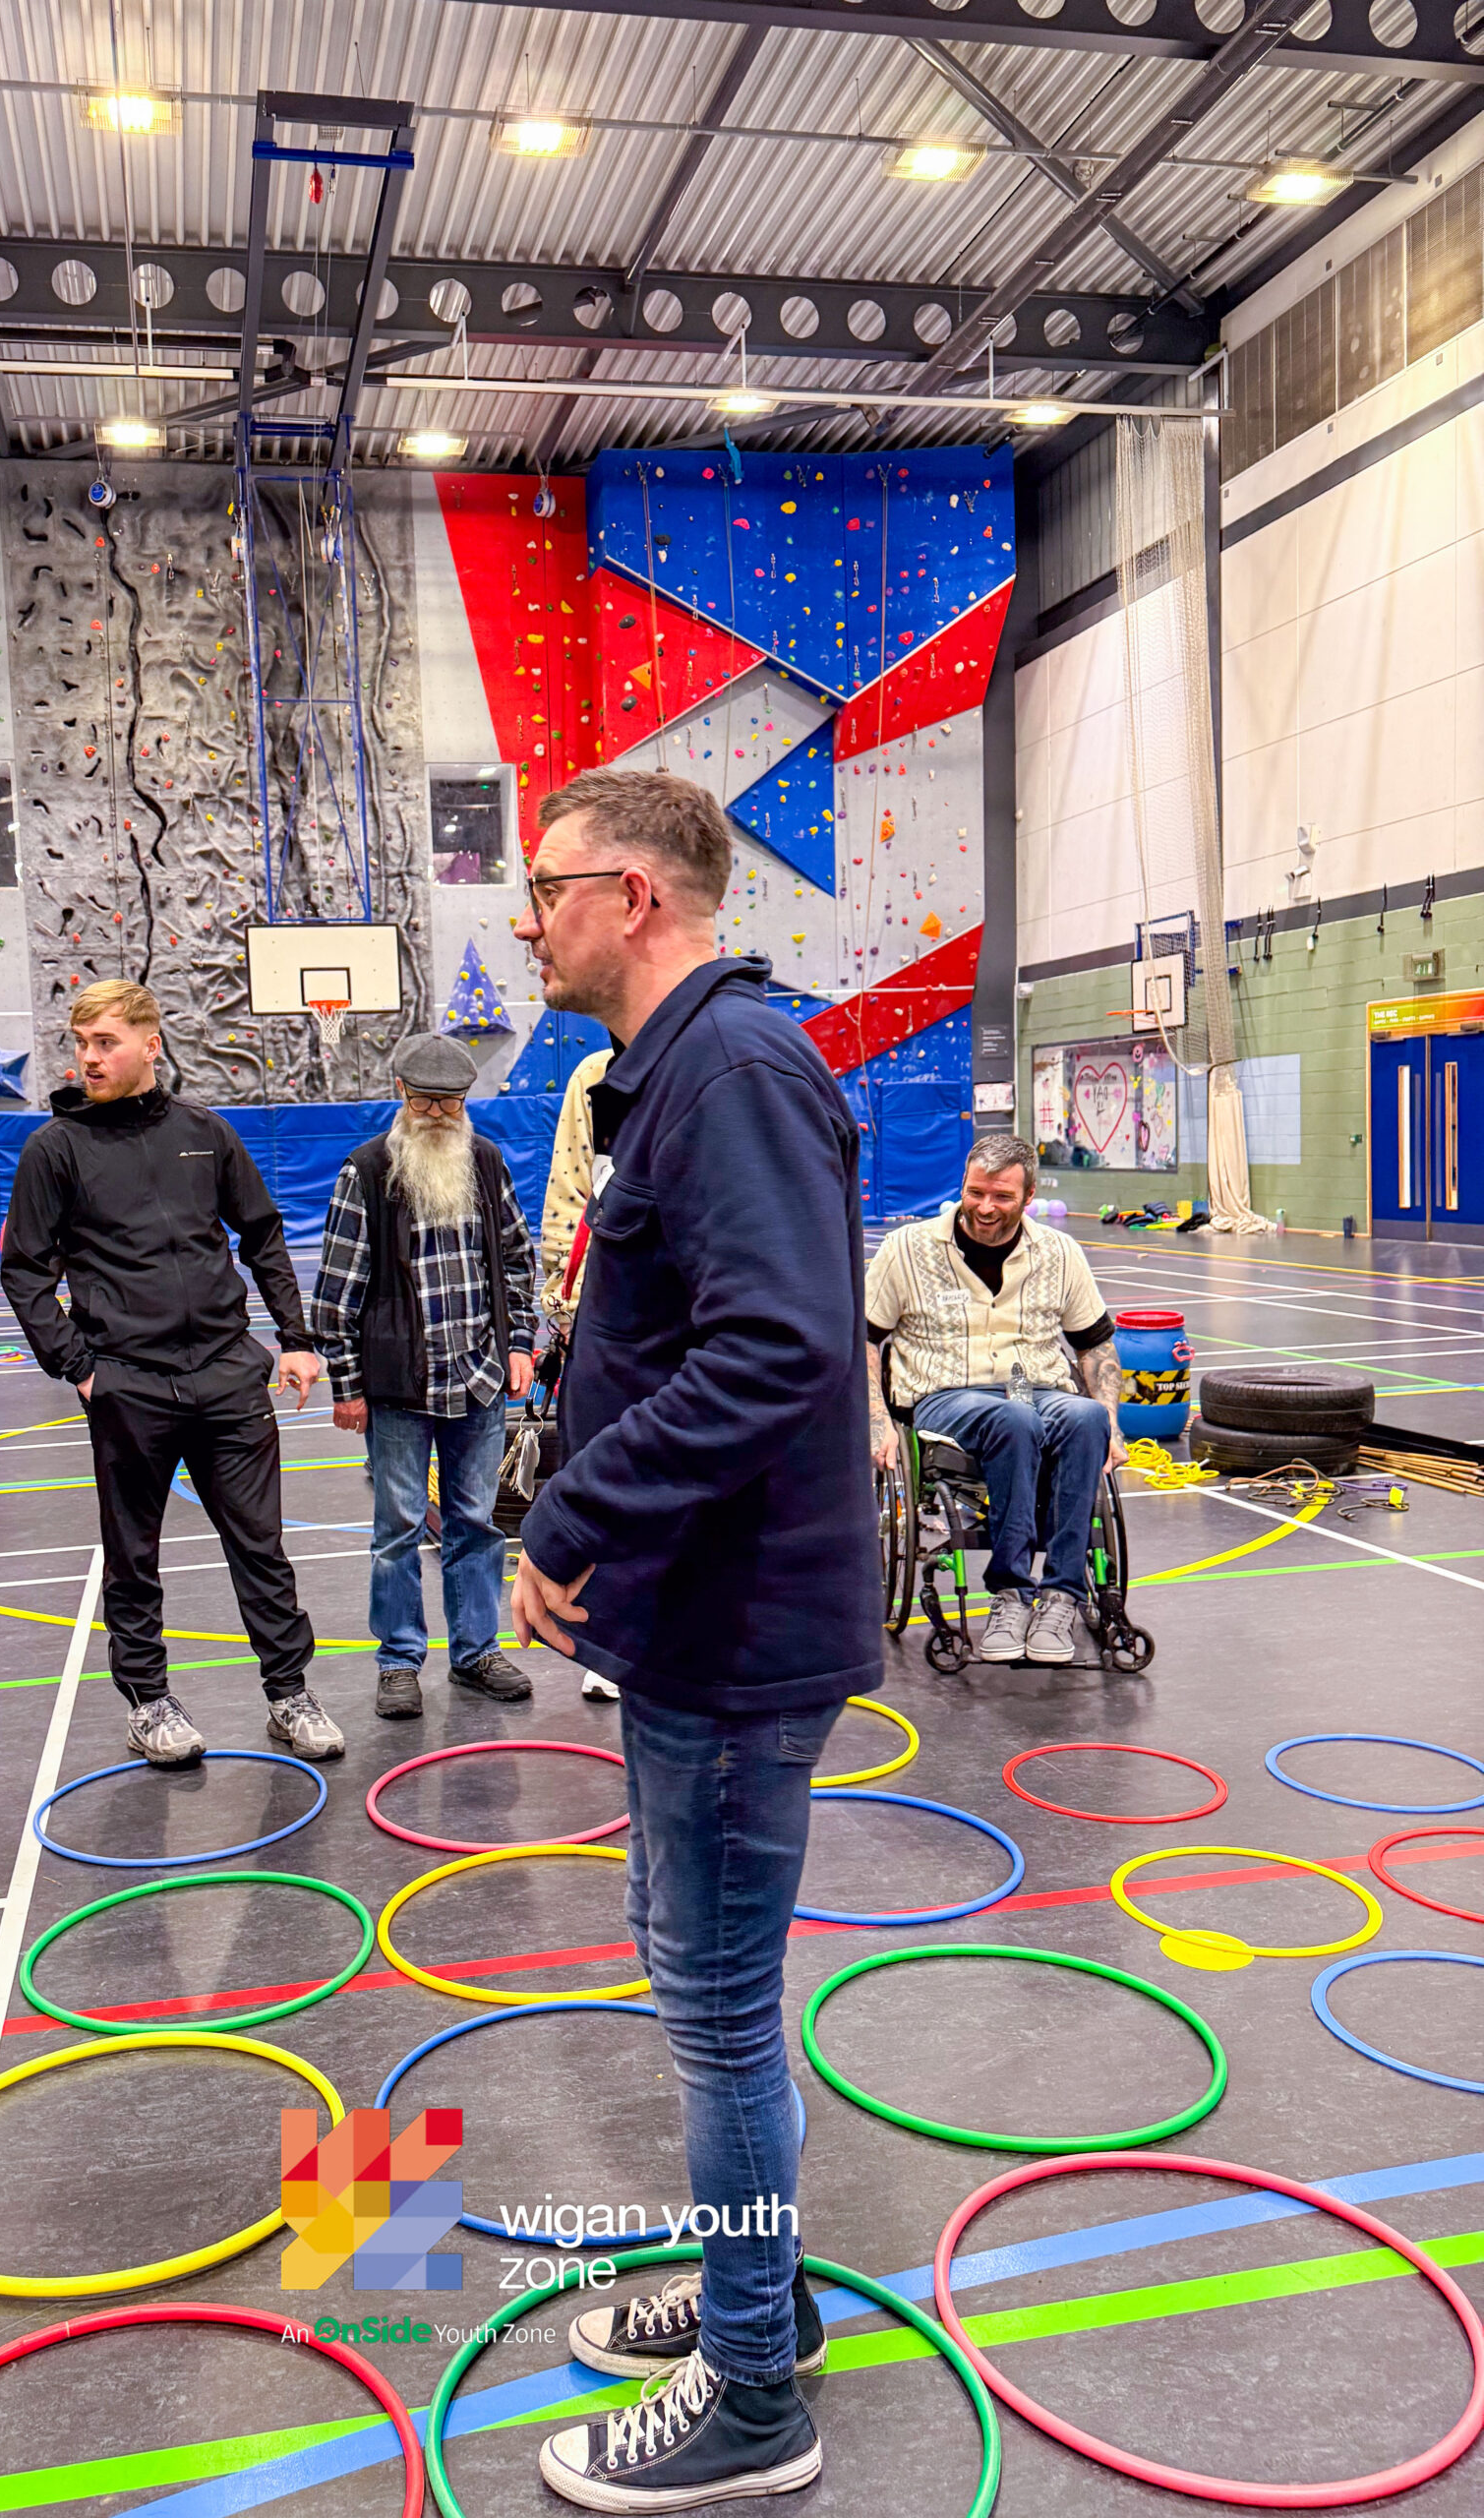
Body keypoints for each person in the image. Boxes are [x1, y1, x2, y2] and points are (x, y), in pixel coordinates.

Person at [507, 769, 879, 2511]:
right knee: (701, 1976)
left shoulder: (729, 1071)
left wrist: (571, 1515)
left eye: (548, 887)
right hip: (690, 1625)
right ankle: (764, 2293)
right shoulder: (671, 1073)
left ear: (634, 897)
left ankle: (751, 2398)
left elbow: (778, 1348)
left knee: (719, 2010)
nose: (529, 918)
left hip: (738, 1634)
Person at [0, 981, 340, 1762]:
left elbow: (262, 1233)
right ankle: (148, 1703)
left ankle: (289, 1694)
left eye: (105, 1042)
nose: (89, 1058)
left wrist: (295, 1338)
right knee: (133, 1555)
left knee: (261, 1547)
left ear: (150, 1045)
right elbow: (24, 1270)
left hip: (227, 1375)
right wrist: (79, 1367)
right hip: (129, 1384)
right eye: (81, 1044)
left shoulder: (203, 1132)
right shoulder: (55, 1149)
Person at [313, 1033, 540, 1723]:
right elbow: (335, 1294)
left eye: (450, 1102)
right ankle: (399, 1661)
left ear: (466, 1101)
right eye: (424, 1101)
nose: (437, 1114)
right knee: (399, 1530)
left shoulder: (486, 1161)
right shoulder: (366, 1171)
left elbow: (516, 1259)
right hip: (399, 1388)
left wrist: (519, 1344)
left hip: (478, 1379)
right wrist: (347, 1386)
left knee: (477, 1524)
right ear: (401, 1095)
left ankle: (476, 1652)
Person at [863, 1135, 1124, 1666]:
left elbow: (1095, 1346)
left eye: (1002, 1196)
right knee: (1014, 1419)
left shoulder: (1059, 1252)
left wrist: (1112, 1424)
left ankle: (1061, 1596)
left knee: (1086, 1416)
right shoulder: (906, 1250)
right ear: (962, 1185)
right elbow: (862, 1341)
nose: (985, 1207)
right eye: (975, 1192)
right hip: (946, 1394)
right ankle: (1010, 1592)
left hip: (1035, 1386)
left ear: (1029, 1195)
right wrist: (877, 1421)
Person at [537, 1041, 619, 1703]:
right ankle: (613, 1641)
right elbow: (569, 1194)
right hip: (608, 1315)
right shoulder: (597, 1074)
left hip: (698, 1312)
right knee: (604, 1475)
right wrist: (564, 1304)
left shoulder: (727, 1061)